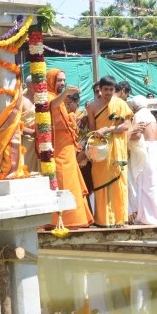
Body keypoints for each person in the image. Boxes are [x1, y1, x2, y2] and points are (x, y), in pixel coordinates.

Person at [46, 68, 92, 229]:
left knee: (72, 181)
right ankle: (63, 220)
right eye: (59, 80)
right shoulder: (48, 96)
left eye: (64, 80)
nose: (62, 83)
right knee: (62, 180)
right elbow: (51, 106)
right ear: (51, 80)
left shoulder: (58, 97)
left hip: (67, 148)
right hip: (58, 148)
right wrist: (65, 93)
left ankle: (75, 218)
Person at [87, 76, 133, 228]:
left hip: (117, 147)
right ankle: (103, 220)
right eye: (105, 89)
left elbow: (126, 126)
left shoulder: (120, 104)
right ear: (99, 89)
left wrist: (108, 129)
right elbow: (92, 130)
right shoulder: (92, 106)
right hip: (100, 148)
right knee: (100, 180)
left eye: (111, 89)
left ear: (115, 90)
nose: (108, 92)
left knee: (118, 181)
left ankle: (119, 218)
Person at [127, 96, 157, 225]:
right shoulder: (150, 115)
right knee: (154, 184)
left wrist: (124, 135)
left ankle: (148, 217)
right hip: (156, 149)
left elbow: (137, 135)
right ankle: (154, 216)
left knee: (145, 184)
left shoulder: (138, 115)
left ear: (133, 107)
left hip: (147, 150)